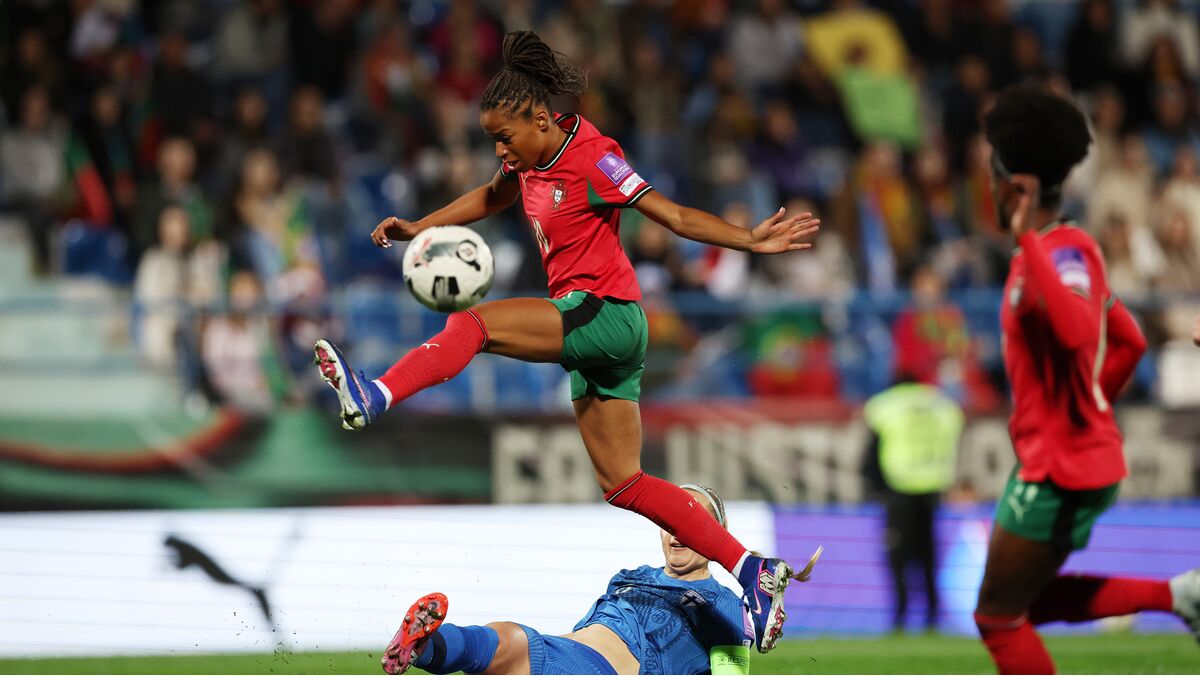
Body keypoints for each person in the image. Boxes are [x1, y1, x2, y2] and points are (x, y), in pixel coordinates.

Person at [312, 31, 821, 653]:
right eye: (493, 140)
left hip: (606, 314)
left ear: (541, 119)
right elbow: (493, 194)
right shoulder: (525, 161)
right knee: (624, 483)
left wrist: (749, 240)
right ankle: (753, 572)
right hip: (589, 327)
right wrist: (423, 225)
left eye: (505, 137)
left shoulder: (595, 157)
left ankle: (377, 394)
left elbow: (673, 216)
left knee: (474, 325)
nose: (500, 150)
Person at [973, 84, 1200, 675]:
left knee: (997, 618)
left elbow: (1077, 333)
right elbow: (1129, 341)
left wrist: (1026, 241)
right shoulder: (1067, 251)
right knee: (1019, 603)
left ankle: (1181, 596)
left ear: (1016, 187)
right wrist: (1090, 405)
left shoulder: (1058, 253)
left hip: (1059, 468)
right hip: (1070, 454)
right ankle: (1180, 596)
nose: (988, 189)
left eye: (993, 177)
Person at [381, 484, 818, 675]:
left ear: (716, 535)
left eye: (694, 524)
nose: (677, 533)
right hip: (567, 653)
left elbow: (732, 664)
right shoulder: (628, 578)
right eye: (670, 521)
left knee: (510, 645)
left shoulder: (720, 602)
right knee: (507, 640)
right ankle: (422, 648)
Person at [862, 373, 964, 632]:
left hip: (899, 488)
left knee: (898, 555)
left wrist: (873, 487)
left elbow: (872, 450)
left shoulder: (884, 404)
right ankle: (932, 615)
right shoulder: (941, 404)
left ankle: (900, 615)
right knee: (928, 553)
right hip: (932, 487)